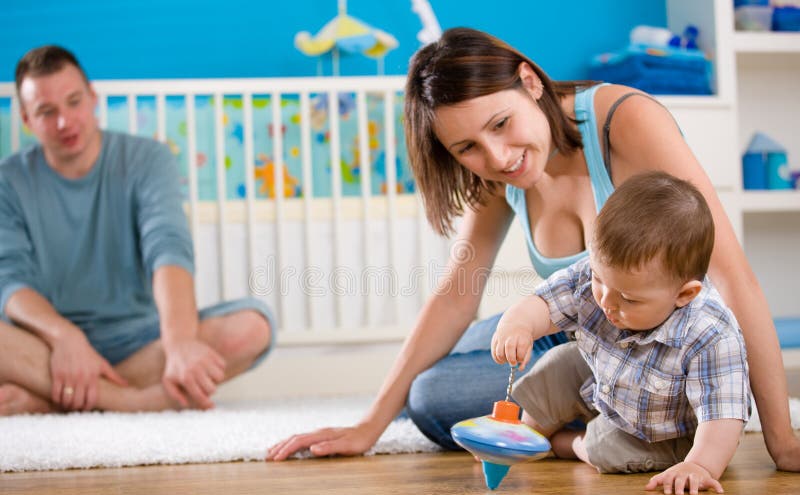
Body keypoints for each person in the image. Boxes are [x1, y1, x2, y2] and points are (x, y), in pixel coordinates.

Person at [267, 27, 800, 471]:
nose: (498, 157)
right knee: (450, 366)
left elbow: (732, 277)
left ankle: (609, 429)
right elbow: (456, 295)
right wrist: (369, 426)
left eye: (501, 124)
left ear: (529, 81)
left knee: (432, 398)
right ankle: (598, 420)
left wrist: (782, 442)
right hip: (570, 337)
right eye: (467, 148)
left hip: (652, 353)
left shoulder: (622, 120)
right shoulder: (499, 177)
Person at [0, 45, 275, 415]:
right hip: (43, 343)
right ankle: (128, 400)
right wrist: (64, 336)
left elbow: (168, 249)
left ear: (93, 98)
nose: (65, 122)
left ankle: (49, 399)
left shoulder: (149, 159)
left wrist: (179, 343)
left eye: (74, 102)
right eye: (47, 112)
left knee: (253, 327)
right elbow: (9, 282)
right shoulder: (8, 180)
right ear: (27, 119)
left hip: (140, 341)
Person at [492, 172, 749, 495]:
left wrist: (700, 465)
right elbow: (545, 301)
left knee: (607, 447)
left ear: (684, 294)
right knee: (558, 364)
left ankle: (567, 444)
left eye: (628, 299)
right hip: (606, 378)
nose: (606, 302)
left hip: (662, 433)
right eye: (599, 280)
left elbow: (723, 413)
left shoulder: (711, 334)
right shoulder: (601, 277)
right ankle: (523, 435)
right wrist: (518, 323)